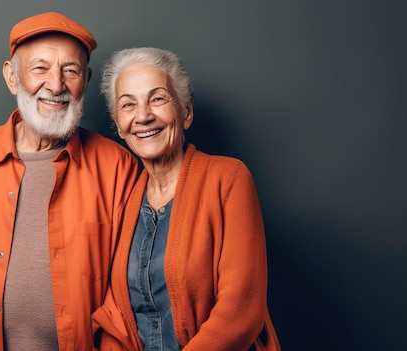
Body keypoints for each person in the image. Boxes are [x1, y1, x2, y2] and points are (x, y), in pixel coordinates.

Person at [0, 12, 138, 351]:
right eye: (40, 68)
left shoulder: (119, 168)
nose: (56, 84)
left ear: (86, 80)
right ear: (12, 77)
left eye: (71, 71)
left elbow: (128, 291)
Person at [91, 47, 281, 350]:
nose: (143, 115)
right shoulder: (122, 199)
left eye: (157, 99)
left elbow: (241, 310)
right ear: (119, 127)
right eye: (128, 105)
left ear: (186, 112)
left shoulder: (228, 178)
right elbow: (116, 318)